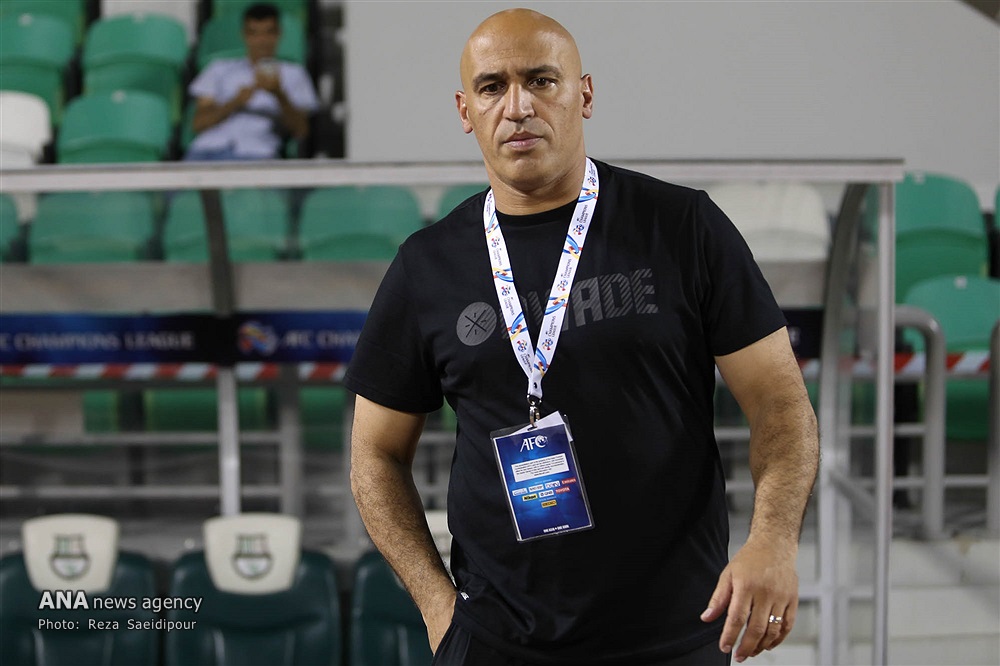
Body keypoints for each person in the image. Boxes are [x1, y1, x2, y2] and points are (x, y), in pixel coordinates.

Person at [347, 8, 819, 665]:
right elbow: (374, 454)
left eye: (541, 81)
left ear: (585, 94)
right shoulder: (428, 266)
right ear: (465, 110)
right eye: (492, 87)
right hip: (496, 641)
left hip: (677, 635)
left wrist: (772, 540)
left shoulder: (682, 226)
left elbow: (779, 402)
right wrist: (437, 606)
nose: (517, 107)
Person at [184, 3, 319, 161]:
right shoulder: (219, 69)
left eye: (268, 33)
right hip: (206, 149)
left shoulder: (294, 74)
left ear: (279, 34)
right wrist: (234, 103)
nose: (262, 41)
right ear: (244, 35)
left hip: (255, 153)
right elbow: (198, 124)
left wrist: (278, 94)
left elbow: (301, 130)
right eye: (254, 33)